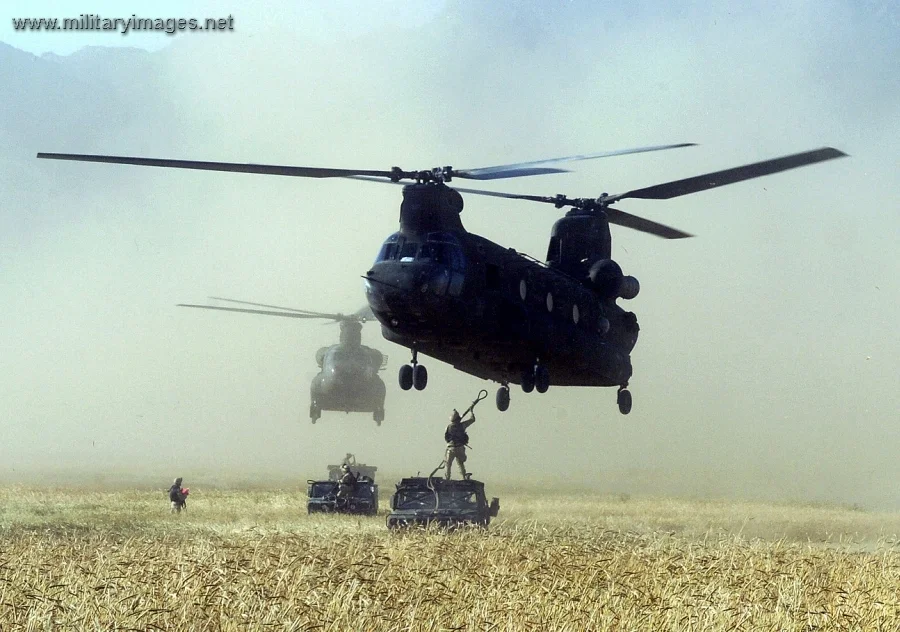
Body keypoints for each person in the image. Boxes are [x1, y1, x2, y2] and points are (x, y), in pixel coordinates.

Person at [444, 408, 476, 480]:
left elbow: (446, 438)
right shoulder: (462, 425)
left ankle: (447, 479)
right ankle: (463, 477)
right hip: (459, 448)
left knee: (448, 465)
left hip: (450, 448)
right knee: (460, 463)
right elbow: (472, 419)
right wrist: (471, 412)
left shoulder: (448, 427)